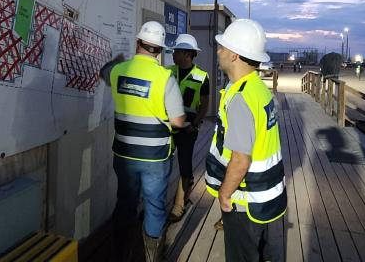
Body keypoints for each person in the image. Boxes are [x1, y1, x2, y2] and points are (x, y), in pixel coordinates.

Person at [100, 21, 187, 262]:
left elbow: (103, 72)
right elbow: (178, 121)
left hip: (124, 155)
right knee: (154, 205)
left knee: (125, 203)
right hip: (155, 158)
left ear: (138, 43)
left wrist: (117, 59)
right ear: (159, 50)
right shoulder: (165, 78)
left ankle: (120, 254)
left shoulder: (119, 71)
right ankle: (151, 257)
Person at [205, 19, 287, 262]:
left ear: (234, 56)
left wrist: (224, 194)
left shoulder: (241, 98)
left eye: (223, 47)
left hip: (245, 201)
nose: (218, 51)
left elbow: (241, 159)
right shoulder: (258, 89)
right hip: (267, 196)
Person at [166, 33, 210, 222]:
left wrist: (195, 124)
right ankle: (157, 204)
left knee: (184, 163)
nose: (173, 54)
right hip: (168, 125)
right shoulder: (167, 72)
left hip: (188, 127)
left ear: (187, 54)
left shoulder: (202, 77)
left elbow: (204, 104)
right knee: (163, 163)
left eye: (176, 51)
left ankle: (179, 205)